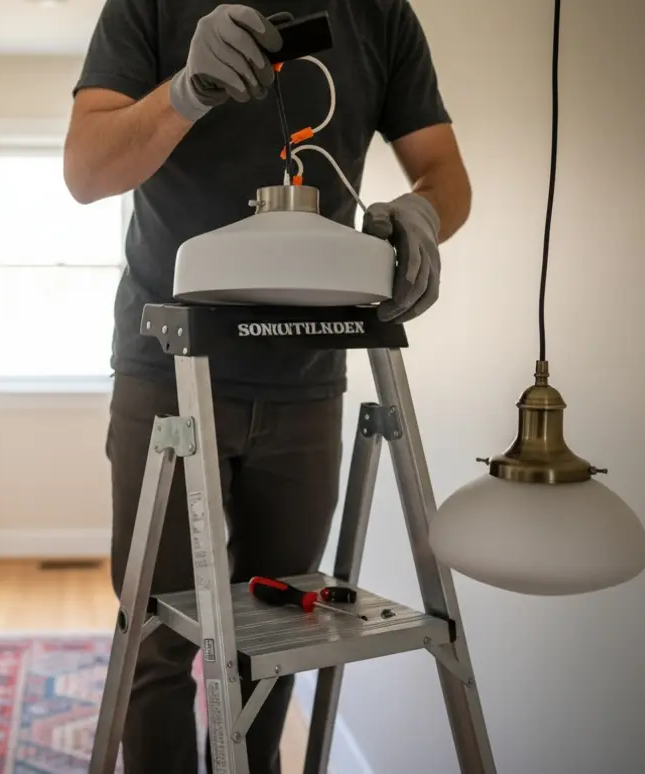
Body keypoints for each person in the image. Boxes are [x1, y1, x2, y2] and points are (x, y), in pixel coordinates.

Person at [63, 2, 470, 772]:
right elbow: (86, 171)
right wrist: (186, 89)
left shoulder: (377, 14)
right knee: (158, 645)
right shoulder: (149, 5)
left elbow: (446, 172)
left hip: (308, 377)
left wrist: (424, 212)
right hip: (171, 370)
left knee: (278, 644)